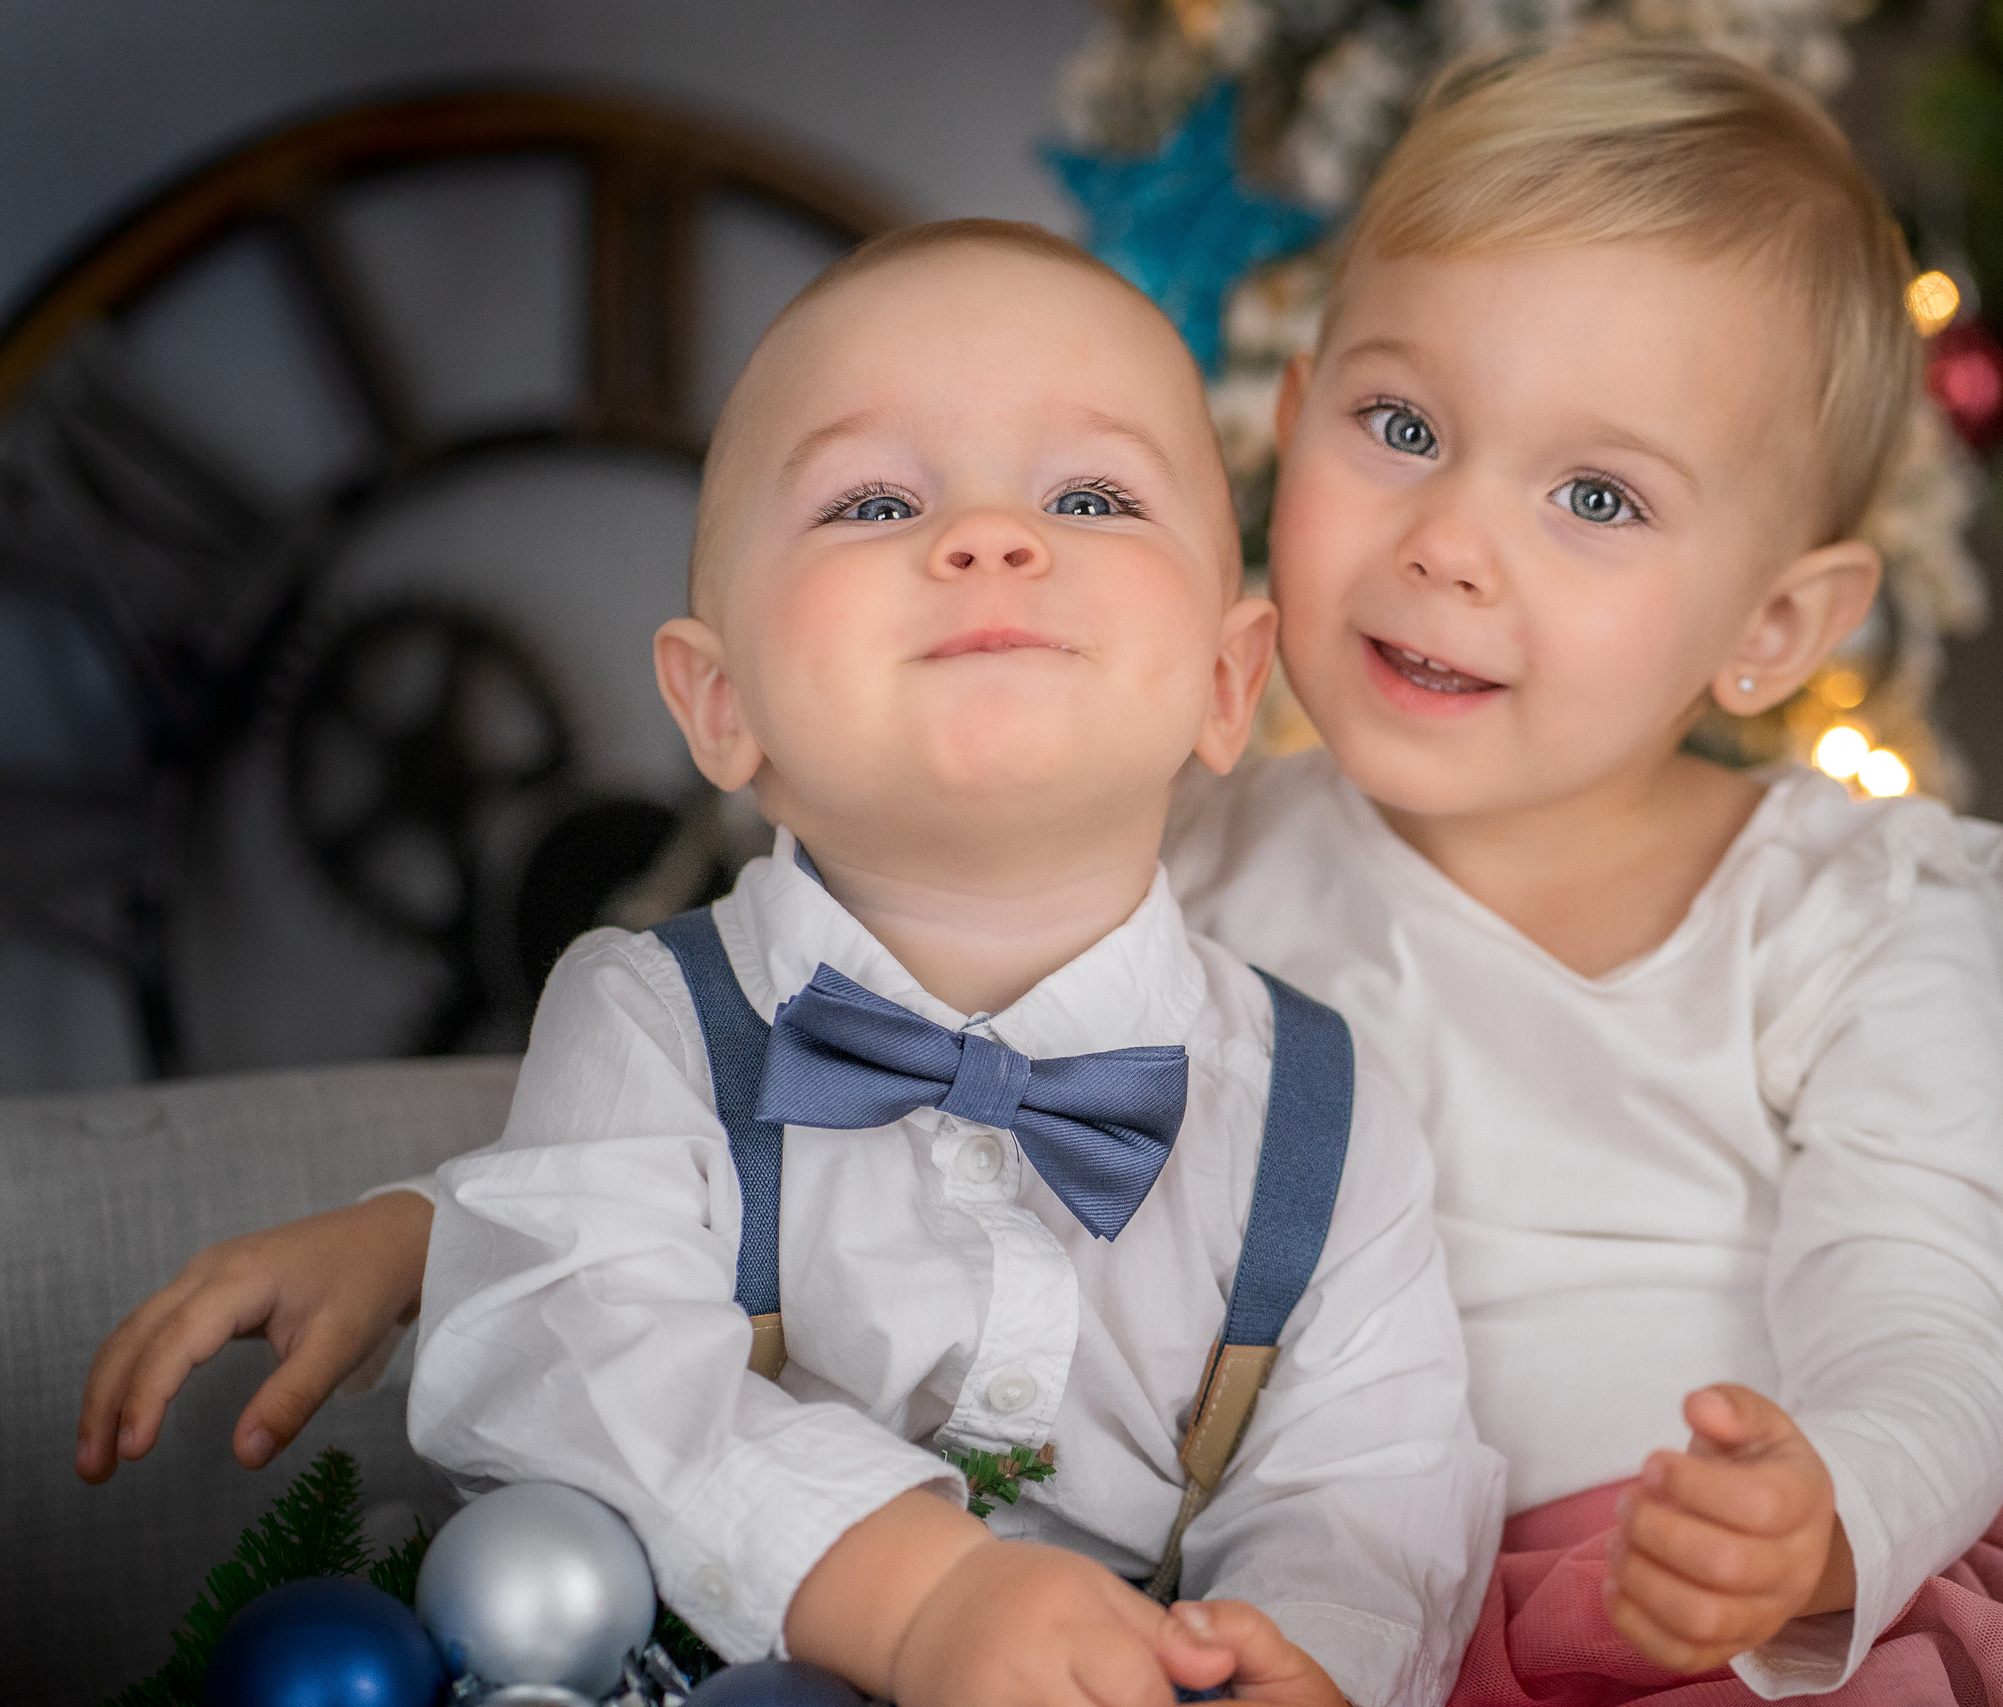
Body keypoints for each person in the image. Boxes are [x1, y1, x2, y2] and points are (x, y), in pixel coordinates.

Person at [80, 42, 2003, 1705]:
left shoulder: (1855, 916)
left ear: (1775, 627)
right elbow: (791, 1039)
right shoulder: (1193, 832)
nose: (1447, 544)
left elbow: (1927, 1290)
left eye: (1594, 495)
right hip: (1267, 1616)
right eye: (1400, 423)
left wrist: (1830, 1496)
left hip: (1712, 1625)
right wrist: (424, 1221)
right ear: (1287, 436)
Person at [398, 219, 1500, 1705]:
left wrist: (1302, 1660)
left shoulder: (1320, 1110)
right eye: (873, 501)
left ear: (1231, 682)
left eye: (1092, 494)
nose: (990, 538)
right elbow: (565, 1354)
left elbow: (1375, 1479)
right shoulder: (647, 1019)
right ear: (720, 705)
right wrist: (911, 1597)